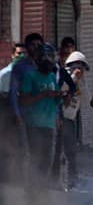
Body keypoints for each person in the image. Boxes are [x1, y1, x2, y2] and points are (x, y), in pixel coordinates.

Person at [19, 43, 63, 196]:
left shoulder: (51, 76)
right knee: (35, 158)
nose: (47, 60)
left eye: (49, 57)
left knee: (47, 159)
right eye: (43, 57)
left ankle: (42, 191)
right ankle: (31, 191)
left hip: (49, 123)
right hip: (34, 123)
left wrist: (61, 97)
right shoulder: (30, 76)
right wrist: (42, 95)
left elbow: (56, 99)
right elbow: (24, 99)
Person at [55, 51, 88, 190]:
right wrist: (73, 78)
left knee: (71, 153)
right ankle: (60, 182)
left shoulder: (82, 81)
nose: (79, 70)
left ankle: (71, 181)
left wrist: (80, 82)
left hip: (71, 119)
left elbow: (86, 99)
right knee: (59, 153)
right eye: (76, 67)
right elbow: (60, 91)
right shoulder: (64, 77)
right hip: (60, 118)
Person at [0, 43, 26, 185]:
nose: (21, 57)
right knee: (7, 151)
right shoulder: (5, 75)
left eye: (24, 54)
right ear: (12, 55)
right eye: (18, 54)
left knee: (23, 151)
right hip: (7, 120)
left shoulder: (28, 73)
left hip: (25, 118)